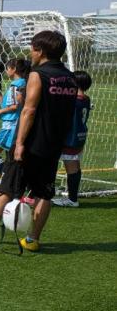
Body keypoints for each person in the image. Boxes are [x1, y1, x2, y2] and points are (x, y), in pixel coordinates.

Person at [0, 30, 79, 251]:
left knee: (6, 187)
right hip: (53, 143)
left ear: (40, 51)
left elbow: (29, 110)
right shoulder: (70, 77)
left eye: (32, 48)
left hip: (31, 142)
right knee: (44, 192)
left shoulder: (38, 74)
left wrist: (20, 143)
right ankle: (33, 240)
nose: (30, 53)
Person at [53, 70, 92, 208]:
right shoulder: (86, 99)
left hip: (70, 138)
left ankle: (72, 199)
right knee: (75, 166)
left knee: (71, 167)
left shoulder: (73, 101)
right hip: (79, 137)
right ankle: (72, 197)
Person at [0, 58, 29, 178]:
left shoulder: (16, 85)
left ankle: (6, 180)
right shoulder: (24, 83)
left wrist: (0, 111)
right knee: (10, 155)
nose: (6, 71)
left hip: (11, 124)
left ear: (14, 69)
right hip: (16, 123)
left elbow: (16, 106)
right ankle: (8, 180)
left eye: (7, 69)